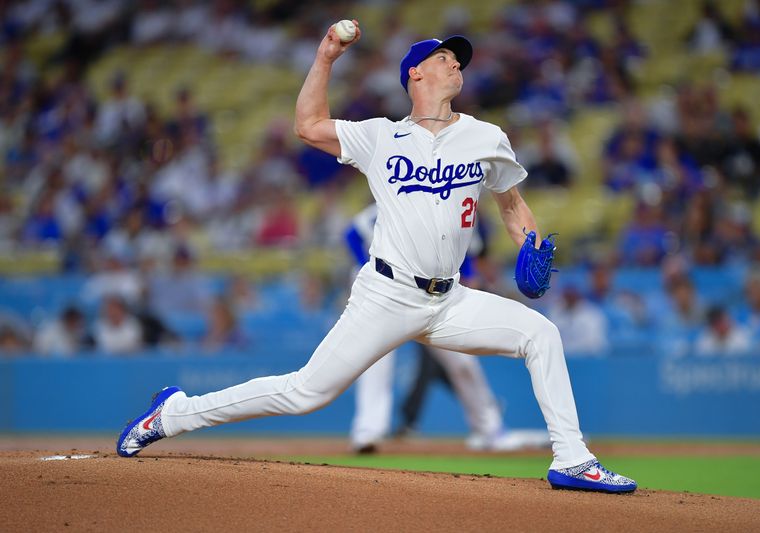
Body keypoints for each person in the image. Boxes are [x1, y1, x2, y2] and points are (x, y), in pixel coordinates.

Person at [117, 23, 636, 494]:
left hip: (450, 298)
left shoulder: (486, 137)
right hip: (386, 294)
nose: (457, 62)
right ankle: (175, 413)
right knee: (305, 393)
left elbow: (513, 204)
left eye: (459, 58)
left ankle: (571, 458)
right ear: (416, 73)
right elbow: (308, 125)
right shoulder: (380, 136)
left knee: (540, 333)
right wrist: (325, 57)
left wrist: (530, 242)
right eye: (444, 57)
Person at [346, 204, 548, 453]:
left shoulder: (460, 206)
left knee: (463, 363)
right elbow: (353, 233)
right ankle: (368, 432)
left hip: (436, 297)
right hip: (386, 293)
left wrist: (470, 287)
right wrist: (368, 266)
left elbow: (468, 258)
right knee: (376, 362)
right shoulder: (400, 197)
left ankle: (490, 429)